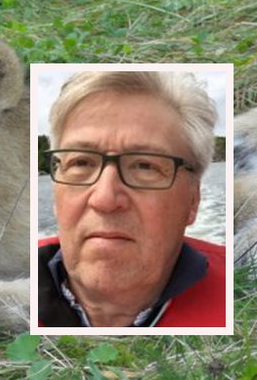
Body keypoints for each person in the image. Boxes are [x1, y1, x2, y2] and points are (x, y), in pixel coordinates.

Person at [38, 71, 225, 327]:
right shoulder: (2, 280)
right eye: (81, 162)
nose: (104, 199)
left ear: (193, 200)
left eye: (145, 166)